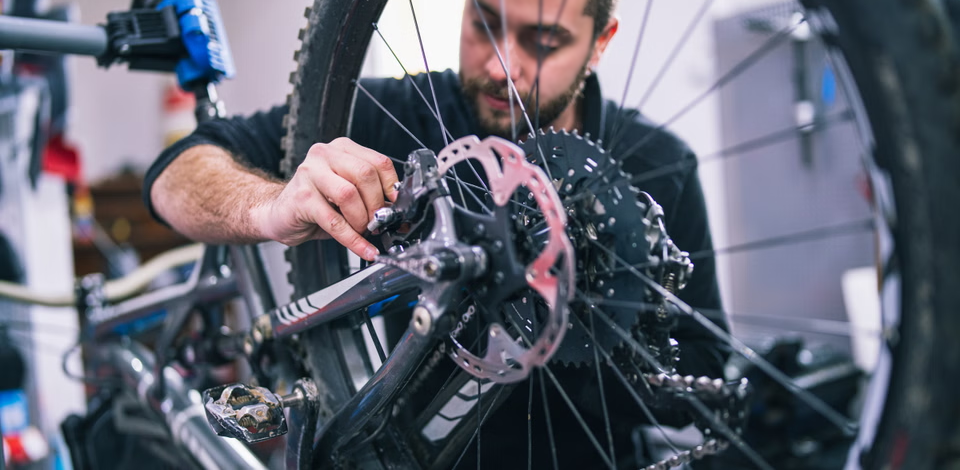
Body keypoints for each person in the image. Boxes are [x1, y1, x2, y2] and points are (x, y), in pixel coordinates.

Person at [144, 0, 729, 467]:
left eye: (543, 42)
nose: (502, 66)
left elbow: (704, 364)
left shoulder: (659, 166)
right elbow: (174, 176)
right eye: (484, 24)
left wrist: (598, 319)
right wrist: (269, 204)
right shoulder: (394, 111)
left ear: (600, 43)